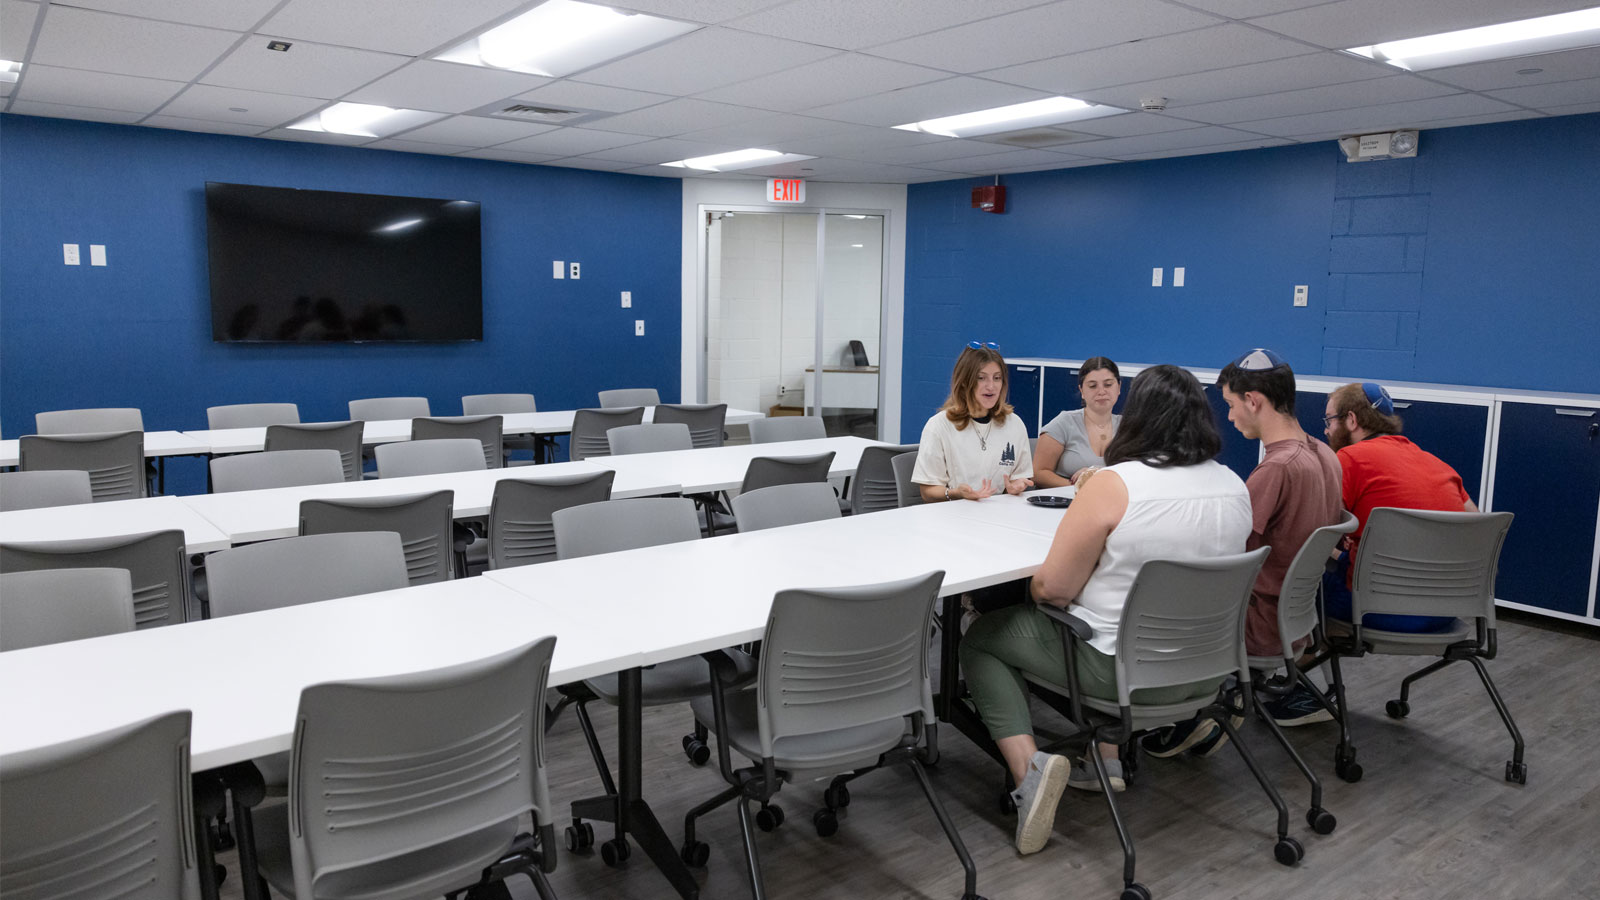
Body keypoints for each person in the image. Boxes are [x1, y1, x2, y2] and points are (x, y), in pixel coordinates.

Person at [959, 365, 1251, 855]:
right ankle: (1106, 761)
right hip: (1208, 672)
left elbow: (1051, 590)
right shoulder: (1234, 485)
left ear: (1137, 417)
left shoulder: (1116, 485)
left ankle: (1029, 773)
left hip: (1120, 671)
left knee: (982, 638)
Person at [1144, 350, 1343, 755]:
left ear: (1254, 401)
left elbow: (1226, 552)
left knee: (1147, 597)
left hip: (1255, 623)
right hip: (1296, 621)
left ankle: (1189, 712)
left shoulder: (1276, 469)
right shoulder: (1325, 454)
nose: (1230, 417)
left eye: (1232, 405)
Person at [1322, 382, 1477, 634]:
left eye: (1329, 420)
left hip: (1376, 609)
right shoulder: (1436, 462)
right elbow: (1476, 523)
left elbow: (1314, 530)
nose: (1327, 431)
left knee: (1296, 591)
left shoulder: (1349, 459)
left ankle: (1294, 672)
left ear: (1351, 420)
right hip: (1445, 612)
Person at [911, 341, 1034, 503]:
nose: (991, 386)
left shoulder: (1014, 424)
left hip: (998, 515)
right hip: (954, 514)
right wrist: (957, 493)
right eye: (981, 378)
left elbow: (1020, 477)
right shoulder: (939, 425)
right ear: (964, 382)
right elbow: (927, 491)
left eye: (997, 378)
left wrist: (1016, 485)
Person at [1033, 357, 1121, 488]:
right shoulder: (1064, 422)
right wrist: (1079, 486)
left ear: (1119, 387)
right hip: (1067, 501)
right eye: (1092, 386)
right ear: (1082, 391)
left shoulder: (1128, 426)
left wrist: (1095, 473)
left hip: (1114, 500)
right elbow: (1037, 473)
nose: (1102, 392)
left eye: (1108, 385)